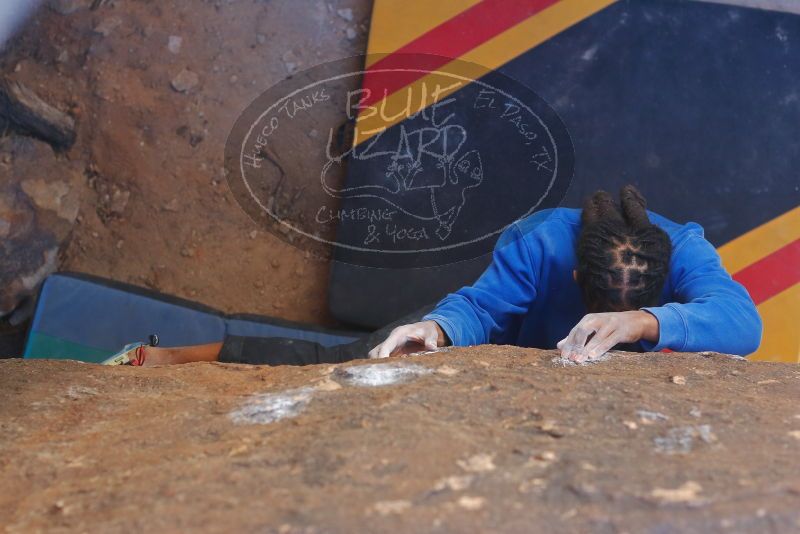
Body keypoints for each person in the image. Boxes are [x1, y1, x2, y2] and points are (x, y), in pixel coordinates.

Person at [106, 185, 761, 366]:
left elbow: (744, 322)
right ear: (571, 274)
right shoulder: (538, 244)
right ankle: (177, 356)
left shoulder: (685, 248)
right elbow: (479, 310)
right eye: (595, 304)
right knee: (353, 359)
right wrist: (439, 330)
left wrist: (641, 323)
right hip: (500, 363)